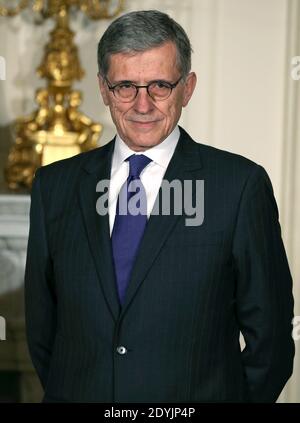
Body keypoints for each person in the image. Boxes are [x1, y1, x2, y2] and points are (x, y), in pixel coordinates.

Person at [25, 10, 294, 403]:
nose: (142, 104)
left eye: (160, 86)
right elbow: (42, 329)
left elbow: (269, 341)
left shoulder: (238, 186)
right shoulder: (54, 186)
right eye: (125, 87)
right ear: (103, 88)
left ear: (187, 88)